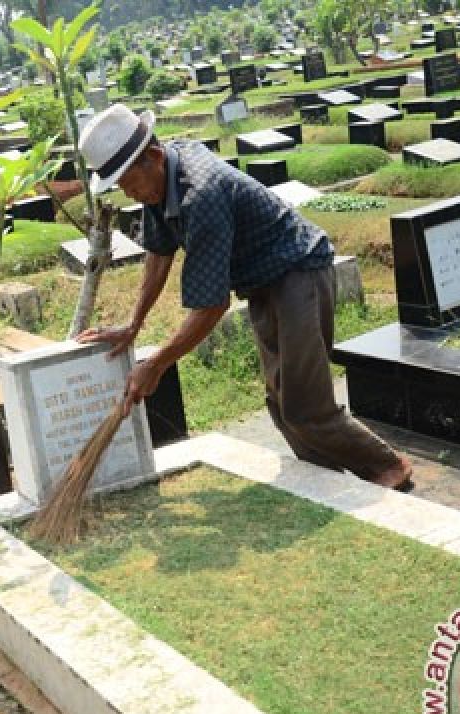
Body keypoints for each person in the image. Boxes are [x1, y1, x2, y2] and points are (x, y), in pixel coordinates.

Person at [75, 104, 413, 490]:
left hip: (298, 270)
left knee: (305, 405)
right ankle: (327, 482)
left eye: (126, 181)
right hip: (262, 281)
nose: (127, 192)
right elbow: (159, 251)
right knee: (281, 403)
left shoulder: (200, 193)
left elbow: (211, 305)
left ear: (151, 157)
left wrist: (156, 364)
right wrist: (134, 324)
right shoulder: (162, 180)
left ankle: (387, 466)